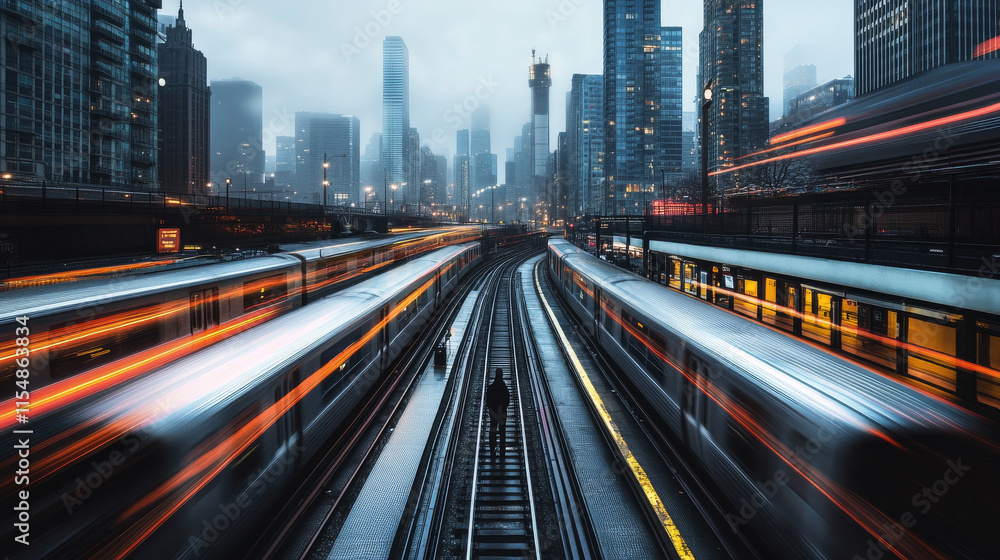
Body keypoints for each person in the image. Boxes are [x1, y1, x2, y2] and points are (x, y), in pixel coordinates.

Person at [485, 367, 510, 461]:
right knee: (502, 431)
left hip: (494, 413)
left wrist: (491, 409)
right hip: (502, 413)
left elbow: (487, 402)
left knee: (493, 431)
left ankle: (492, 449)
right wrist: (503, 408)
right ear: (502, 375)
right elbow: (507, 401)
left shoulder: (491, 388)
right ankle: (502, 450)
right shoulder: (504, 388)